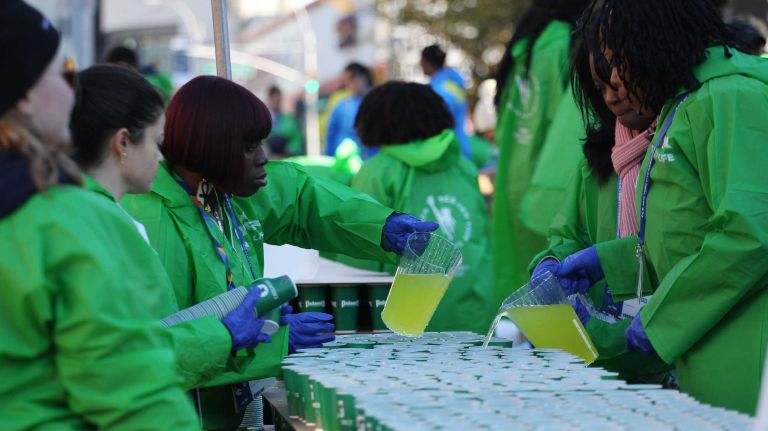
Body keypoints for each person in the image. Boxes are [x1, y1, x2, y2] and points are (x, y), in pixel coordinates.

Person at [122, 75, 438, 428]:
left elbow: (302, 200)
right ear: (211, 147)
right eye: (249, 147)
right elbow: (150, 356)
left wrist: (382, 226)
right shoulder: (151, 226)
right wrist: (274, 345)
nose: (263, 159)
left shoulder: (225, 192)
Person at [551, 0, 768, 414]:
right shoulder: (689, 102)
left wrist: (663, 318)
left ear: (654, 43)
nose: (614, 78)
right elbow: (686, 231)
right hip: (708, 347)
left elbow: (749, 233)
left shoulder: (733, 96)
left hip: (745, 352)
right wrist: (610, 260)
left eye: (618, 60)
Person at [0, 1, 199, 429]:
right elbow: (136, 400)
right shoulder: (65, 220)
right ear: (23, 96)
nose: (74, 91)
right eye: (64, 73)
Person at [69, 64, 296, 395]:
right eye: (157, 142)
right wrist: (229, 337)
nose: (163, 156)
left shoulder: (99, 214)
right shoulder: (103, 225)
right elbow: (121, 361)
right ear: (123, 143)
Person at [528, 34, 672, 382]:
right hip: (603, 358)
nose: (612, 96)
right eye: (600, 86)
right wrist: (550, 263)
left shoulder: (678, 147)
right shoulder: (597, 159)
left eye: (620, 83)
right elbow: (568, 234)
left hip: (673, 350)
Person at [346, 81, 495, 334]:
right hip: (474, 316)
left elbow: (355, 254)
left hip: (404, 324)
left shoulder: (376, 172)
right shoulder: (463, 166)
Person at [491, 0, 589, 304]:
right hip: (549, 188)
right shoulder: (566, 43)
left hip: (512, 183)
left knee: (516, 285)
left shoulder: (526, 49)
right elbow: (572, 126)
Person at [420, 44, 471, 159]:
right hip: (461, 146)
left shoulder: (438, 90)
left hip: (447, 152)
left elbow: (436, 124)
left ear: (425, 62)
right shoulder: (453, 85)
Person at [325, 62, 375, 160]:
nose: (350, 84)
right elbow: (331, 135)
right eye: (346, 81)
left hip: (373, 161)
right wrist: (329, 158)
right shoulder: (341, 106)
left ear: (364, 77)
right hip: (346, 164)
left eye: (353, 79)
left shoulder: (380, 102)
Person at [266, 85, 303, 156]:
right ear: (270, 99)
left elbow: (297, 138)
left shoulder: (289, 119)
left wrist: (290, 150)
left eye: (278, 100)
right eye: (274, 100)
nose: (277, 103)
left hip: (287, 157)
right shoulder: (265, 120)